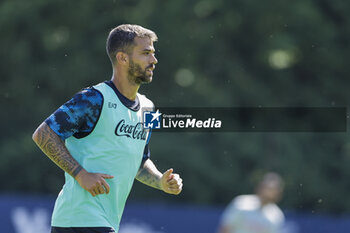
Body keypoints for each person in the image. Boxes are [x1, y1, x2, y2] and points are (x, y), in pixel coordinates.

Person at [32, 24, 183, 233]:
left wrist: (161, 181)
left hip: (104, 222)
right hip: (80, 219)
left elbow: (140, 161)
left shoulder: (149, 108)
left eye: (153, 54)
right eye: (146, 53)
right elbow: (43, 133)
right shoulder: (93, 99)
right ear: (122, 58)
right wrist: (80, 174)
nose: (154, 60)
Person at [217, 173, 285, 233]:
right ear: (260, 187)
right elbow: (225, 227)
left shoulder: (276, 216)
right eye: (267, 188)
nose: (268, 192)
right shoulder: (241, 203)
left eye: (272, 190)